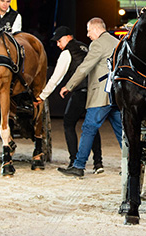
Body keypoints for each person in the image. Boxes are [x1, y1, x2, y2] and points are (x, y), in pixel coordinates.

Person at [58, 18, 123, 177]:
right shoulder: (117, 43)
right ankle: (134, 161)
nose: (87, 35)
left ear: (95, 29)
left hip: (101, 93)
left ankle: (79, 166)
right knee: (122, 131)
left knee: (88, 128)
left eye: (88, 31)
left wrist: (69, 85)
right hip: (116, 93)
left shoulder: (98, 44)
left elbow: (84, 68)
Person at [39, 26, 103, 173]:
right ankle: (98, 163)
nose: (57, 44)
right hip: (94, 91)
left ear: (68, 37)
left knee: (68, 123)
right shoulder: (86, 47)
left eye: (59, 41)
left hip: (80, 91)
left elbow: (56, 77)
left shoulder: (67, 52)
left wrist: (43, 96)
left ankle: (74, 161)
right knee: (91, 125)